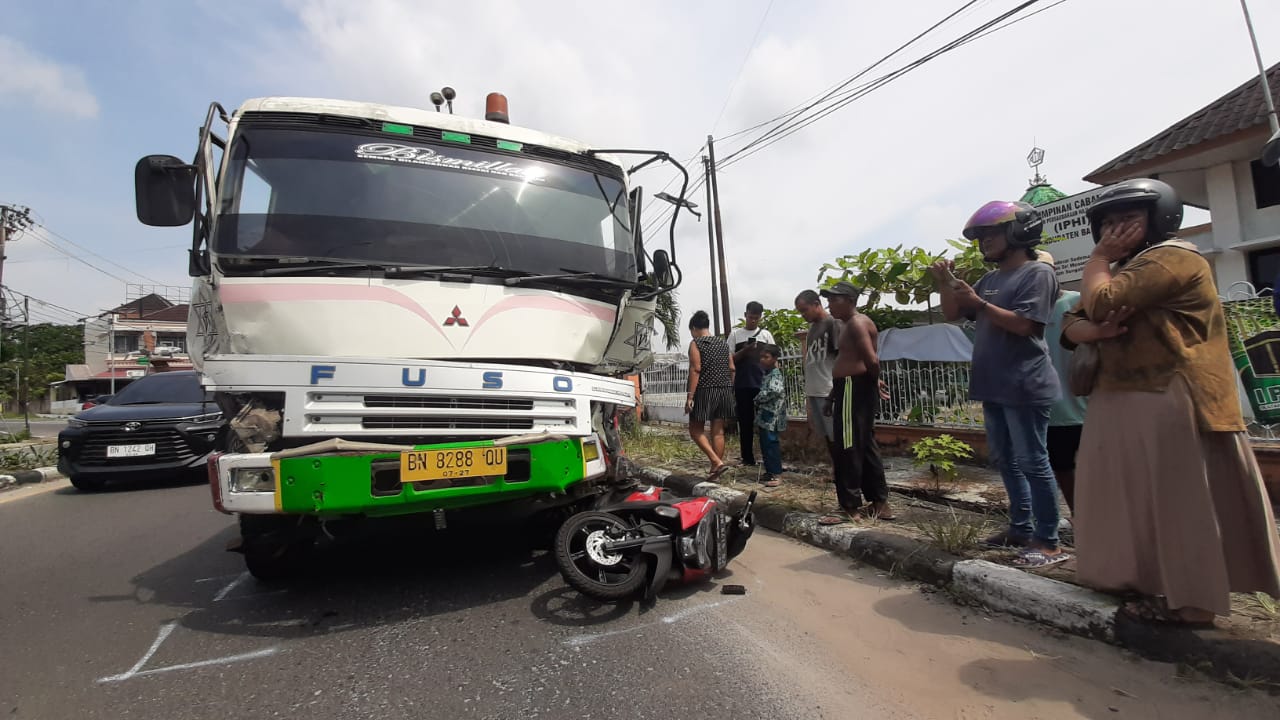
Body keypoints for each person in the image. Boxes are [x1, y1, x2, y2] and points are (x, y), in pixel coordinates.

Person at [1062, 178, 1280, 625]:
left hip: (1171, 395)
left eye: (1128, 219)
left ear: (1160, 217)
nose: (1114, 231)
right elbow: (1074, 319)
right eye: (1106, 224)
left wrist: (1099, 265)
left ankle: (1196, 603)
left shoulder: (1173, 258)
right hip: (1124, 394)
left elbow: (1100, 303)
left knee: (1181, 501)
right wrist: (1090, 328)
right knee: (1127, 498)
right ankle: (1138, 580)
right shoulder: (1129, 266)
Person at [930, 200, 1066, 568]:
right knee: (1006, 460)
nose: (984, 242)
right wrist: (945, 284)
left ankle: (1049, 539)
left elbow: (1027, 325)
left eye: (991, 234)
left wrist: (980, 304)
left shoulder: (1037, 274)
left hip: (1024, 382)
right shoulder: (990, 280)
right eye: (981, 236)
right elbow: (954, 312)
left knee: (1033, 461)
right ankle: (1020, 527)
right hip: (993, 383)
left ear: (1018, 232)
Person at [819, 281, 892, 523]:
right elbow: (854, 361)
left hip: (853, 386)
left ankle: (850, 507)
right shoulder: (848, 324)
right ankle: (879, 502)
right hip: (848, 387)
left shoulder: (857, 323)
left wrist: (874, 381)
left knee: (847, 446)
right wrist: (833, 395)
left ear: (849, 300)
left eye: (834, 299)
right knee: (865, 444)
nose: (829, 305)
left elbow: (871, 360)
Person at [1038, 250, 1086, 514]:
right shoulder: (1022, 313)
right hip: (1052, 412)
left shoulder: (1079, 302)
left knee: (1101, 470)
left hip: (1089, 406)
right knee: (1063, 469)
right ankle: (1081, 522)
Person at [794, 289, 841, 482]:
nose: (804, 315)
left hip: (828, 388)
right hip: (815, 389)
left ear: (816, 304)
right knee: (828, 437)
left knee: (837, 436)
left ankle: (844, 472)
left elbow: (840, 356)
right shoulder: (813, 328)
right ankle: (837, 470)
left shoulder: (833, 324)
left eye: (805, 310)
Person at [685, 310, 735, 479]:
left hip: (705, 390)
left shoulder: (696, 343)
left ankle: (716, 462)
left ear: (693, 328)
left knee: (695, 430)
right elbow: (732, 368)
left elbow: (695, 369)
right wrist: (729, 386)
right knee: (718, 431)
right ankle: (716, 470)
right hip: (725, 390)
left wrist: (690, 396)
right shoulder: (723, 343)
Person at [728, 301, 775, 466]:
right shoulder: (735, 335)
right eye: (750, 317)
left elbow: (774, 358)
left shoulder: (766, 335)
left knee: (766, 423)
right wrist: (746, 350)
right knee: (745, 423)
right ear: (745, 315)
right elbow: (729, 359)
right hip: (742, 384)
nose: (753, 321)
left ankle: (768, 457)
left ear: (760, 317)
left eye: (756, 318)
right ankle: (747, 457)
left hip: (762, 384)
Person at [754, 344, 788, 488]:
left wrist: (758, 398)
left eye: (766, 357)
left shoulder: (775, 374)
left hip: (771, 416)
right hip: (765, 416)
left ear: (774, 358)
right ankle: (770, 471)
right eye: (761, 357)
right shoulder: (768, 374)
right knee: (765, 444)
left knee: (771, 444)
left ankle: (776, 473)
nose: (762, 360)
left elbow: (774, 391)